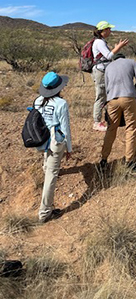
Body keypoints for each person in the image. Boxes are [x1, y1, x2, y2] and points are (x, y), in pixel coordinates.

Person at [34, 72, 72, 223]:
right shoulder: (61, 104)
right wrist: (69, 149)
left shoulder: (38, 101)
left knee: (47, 164)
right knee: (51, 175)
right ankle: (45, 212)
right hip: (56, 141)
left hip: (42, 140)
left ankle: (46, 169)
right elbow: (65, 128)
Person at [100, 54, 136, 172]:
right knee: (131, 128)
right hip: (129, 98)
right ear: (124, 57)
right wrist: (132, 90)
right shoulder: (132, 62)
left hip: (112, 100)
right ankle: (129, 161)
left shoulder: (109, 67)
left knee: (111, 129)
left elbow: (107, 87)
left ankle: (103, 160)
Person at [91, 21, 129, 132]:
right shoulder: (99, 42)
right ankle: (97, 122)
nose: (110, 31)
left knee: (105, 96)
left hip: (103, 71)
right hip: (101, 72)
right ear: (103, 31)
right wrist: (119, 47)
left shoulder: (100, 41)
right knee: (101, 96)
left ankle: (104, 119)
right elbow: (109, 55)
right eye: (108, 29)